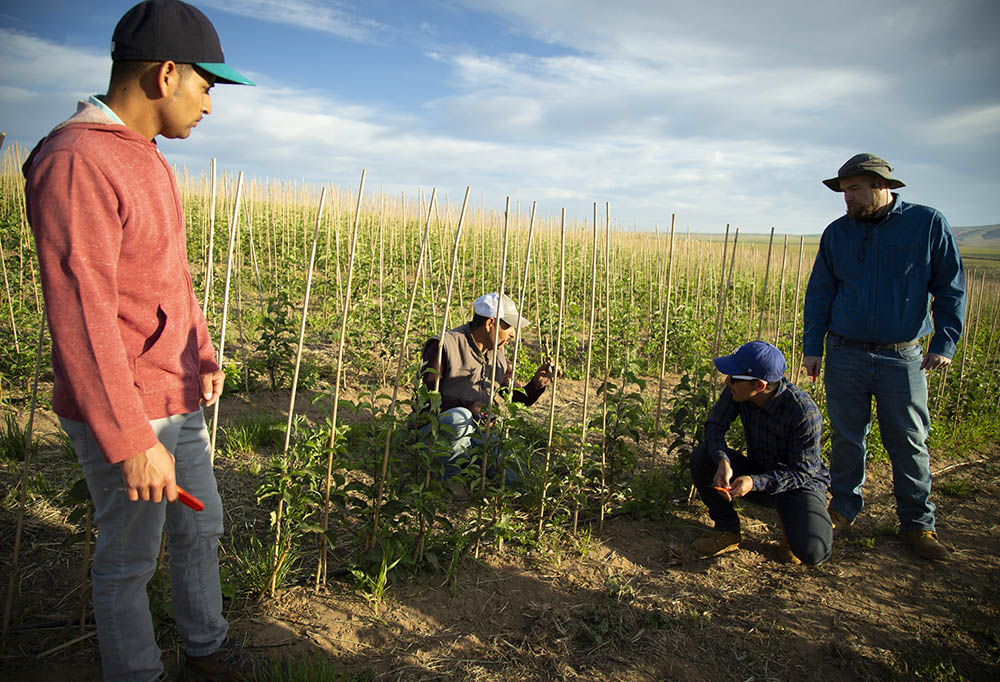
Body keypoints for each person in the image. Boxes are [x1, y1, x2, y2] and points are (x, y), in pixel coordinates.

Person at [23, 2, 256, 680]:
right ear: (165, 74)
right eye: (207, 85)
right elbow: (82, 311)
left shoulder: (143, 157)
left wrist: (202, 349)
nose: (210, 104)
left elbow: (168, 273)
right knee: (129, 557)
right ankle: (137, 672)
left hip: (175, 392)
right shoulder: (76, 162)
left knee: (199, 528)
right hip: (129, 403)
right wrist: (129, 438)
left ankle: (207, 649)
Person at [802, 153, 965, 561]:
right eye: (843, 190)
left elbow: (950, 288)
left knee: (909, 441)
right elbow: (820, 291)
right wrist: (812, 347)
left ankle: (917, 524)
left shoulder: (926, 224)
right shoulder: (837, 233)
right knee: (846, 437)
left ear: (881, 186)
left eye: (854, 188)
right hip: (845, 353)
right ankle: (842, 508)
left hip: (902, 356)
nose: (847, 198)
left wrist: (944, 342)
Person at [689, 341, 832, 566]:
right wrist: (722, 460)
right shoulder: (737, 392)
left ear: (759, 385)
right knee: (702, 457)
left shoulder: (804, 413)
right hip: (761, 470)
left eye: (734, 378)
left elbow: (802, 471)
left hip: (799, 485)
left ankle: (792, 527)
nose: (728, 381)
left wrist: (755, 483)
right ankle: (728, 530)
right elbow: (714, 426)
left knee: (814, 552)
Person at [420, 292, 554, 480]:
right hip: (436, 433)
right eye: (509, 327)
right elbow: (425, 400)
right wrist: (472, 408)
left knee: (516, 477)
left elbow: (517, 397)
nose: (513, 334)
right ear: (490, 323)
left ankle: (471, 465)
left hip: (478, 433)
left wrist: (537, 384)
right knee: (460, 418)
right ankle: (447, 479)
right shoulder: (444, 345)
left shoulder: (497, 353)